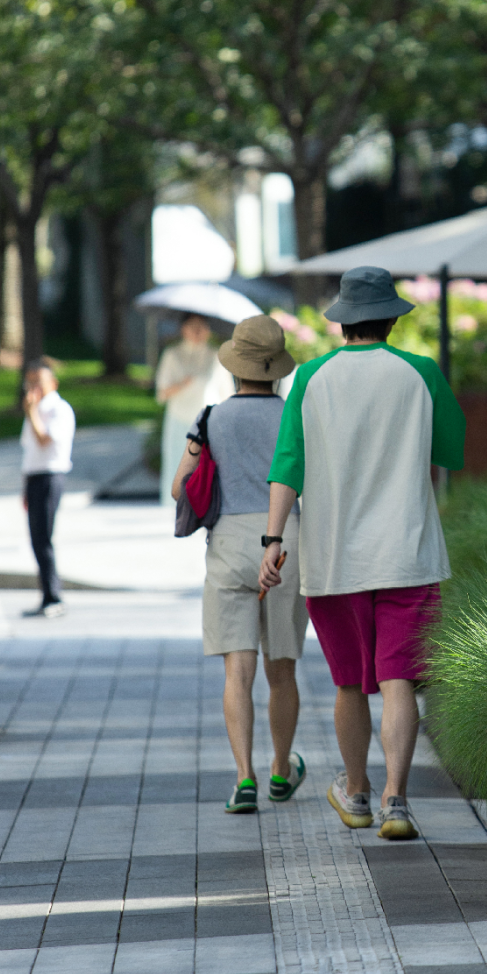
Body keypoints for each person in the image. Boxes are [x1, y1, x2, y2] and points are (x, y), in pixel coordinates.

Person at [258, 265, 465, 841]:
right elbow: (452, 449)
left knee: (351, 683)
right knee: (398, 680)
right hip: (408, 553)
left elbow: (287, 465)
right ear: (393, 319)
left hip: (334, 557)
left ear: (342, 320)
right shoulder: (421, 373)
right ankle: (397, 801)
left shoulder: (311, 377)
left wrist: (273, 542)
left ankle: (356, 794)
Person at [172, 314, 307, 814]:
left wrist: (195, 446)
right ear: (276, 370)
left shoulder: (210, 418)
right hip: (286, 542)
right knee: (283, 671)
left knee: (238, 672)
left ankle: (244, 777)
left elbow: (178, 488)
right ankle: (280, 770)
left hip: (228, 545)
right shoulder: (294, 415)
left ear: (235, 367)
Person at [20, 362, 76, 619]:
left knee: (44, 538)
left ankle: (54, 596)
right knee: (36, 538)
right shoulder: (38, 409)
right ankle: (46, 595)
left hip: (50, 476)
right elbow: (29, 452)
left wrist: (32, 413)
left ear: (52, 383)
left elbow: (45, 440)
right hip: (33, 477)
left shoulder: (59, 409)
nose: (34, 388)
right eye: (30, 382)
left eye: (39, 382)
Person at [156, 313, 225, 506]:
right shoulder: (173, 354)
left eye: (202, 326)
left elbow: (225, 392)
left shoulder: (216, 355)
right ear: (183, 329)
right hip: (180, 417)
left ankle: (208, 507)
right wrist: (182, 384)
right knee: (178, 464)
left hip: (208, 420)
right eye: (192, 326)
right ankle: (177, 507)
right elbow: (161, 393)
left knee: (208, 466)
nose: (197, 331)